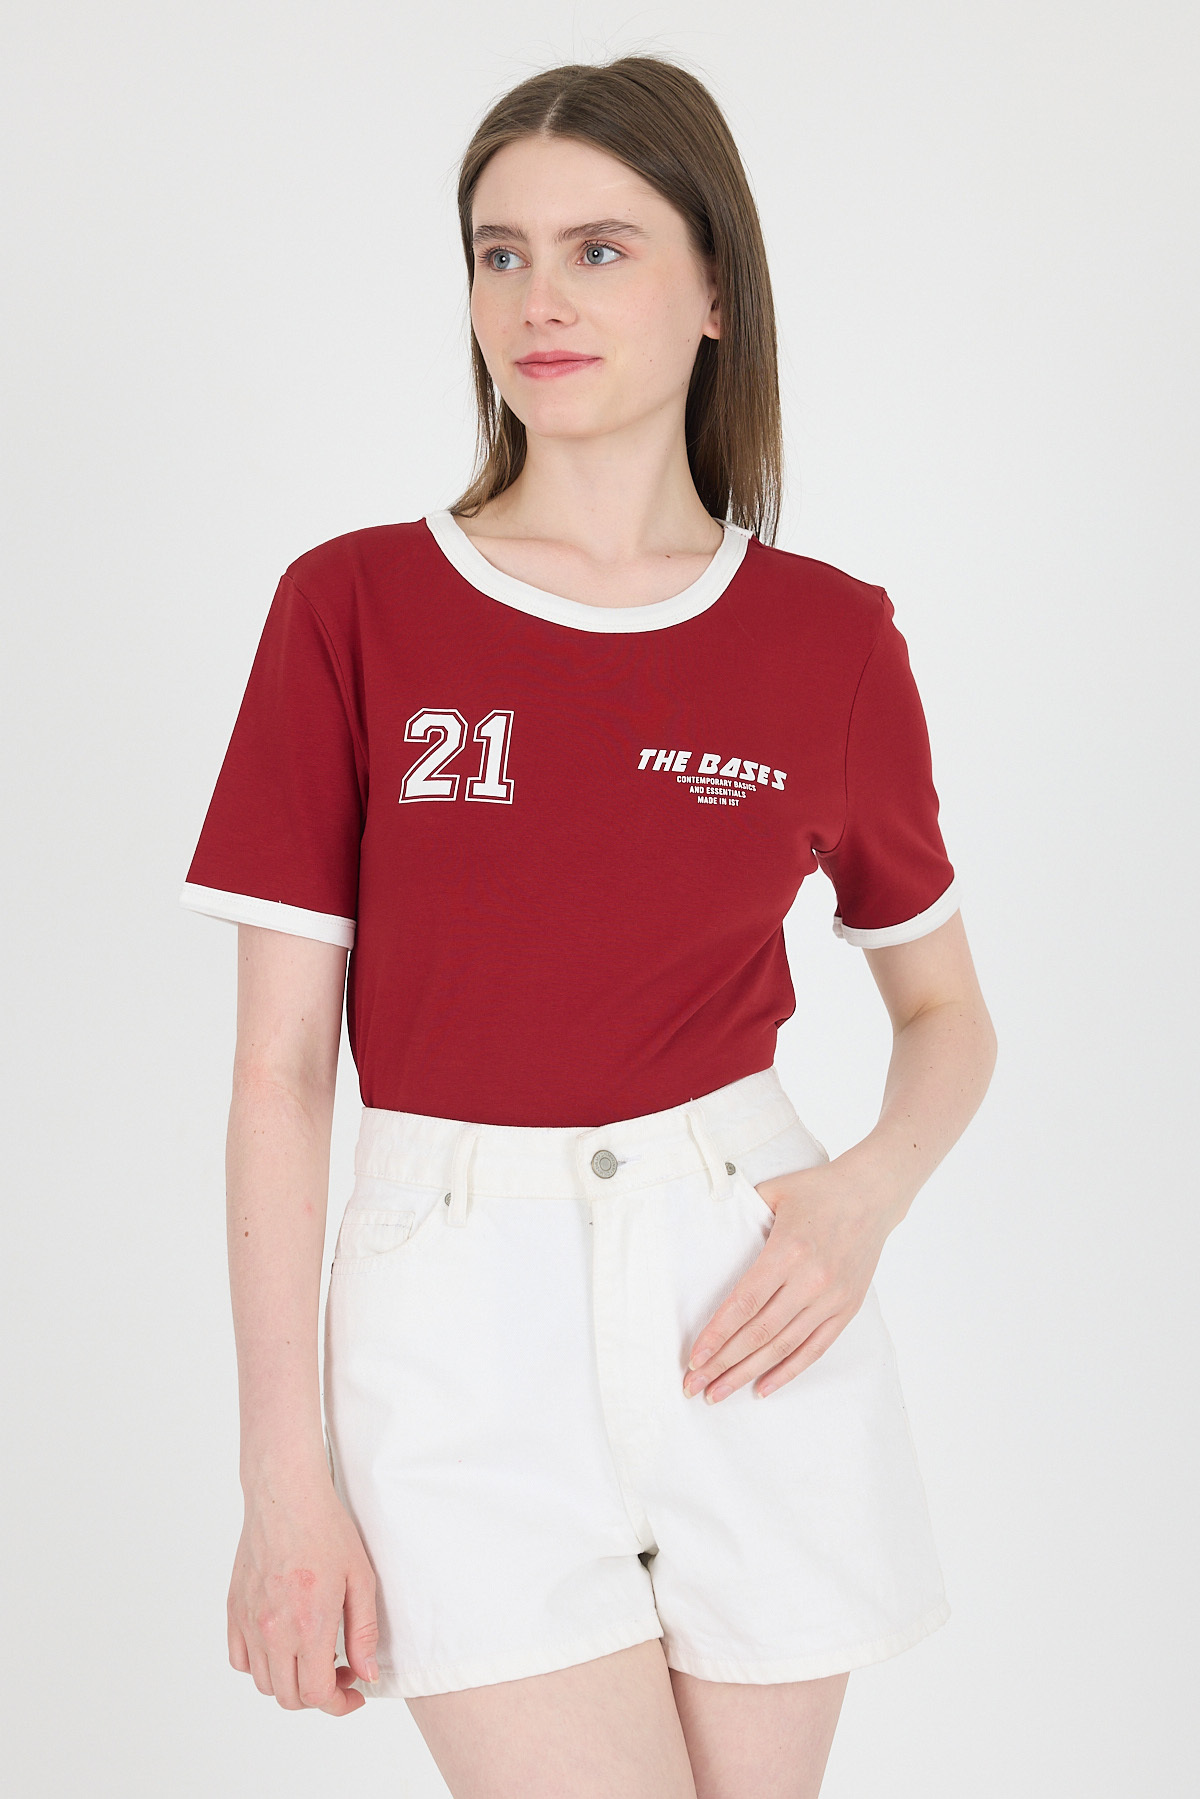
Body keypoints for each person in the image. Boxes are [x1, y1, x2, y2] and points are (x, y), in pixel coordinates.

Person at [179, 54, 997, 1799]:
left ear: (716, 293)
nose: (537, 299)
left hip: (747, 1296)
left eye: (600, 250)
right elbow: (278, 1076)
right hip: (452, 1314)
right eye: (501, 253)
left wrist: (861, 1199)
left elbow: (947, 1013)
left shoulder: (831, 640)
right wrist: (282, 1480)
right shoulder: (353, 607)